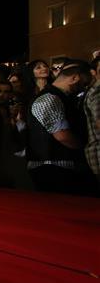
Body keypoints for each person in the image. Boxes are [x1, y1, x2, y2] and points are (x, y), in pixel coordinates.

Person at [26, 59, 96, 195]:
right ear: (74, 78)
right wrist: (86, 147)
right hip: (53, 168)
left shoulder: (61, 97)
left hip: (59, 167)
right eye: (84, 83)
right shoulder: (49, 98)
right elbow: (62, 136)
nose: (84, 88)